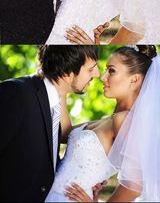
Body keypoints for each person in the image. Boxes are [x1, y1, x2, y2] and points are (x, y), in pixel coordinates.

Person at [45, 45, 160, 202]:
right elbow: (66, 133)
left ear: (134, 79)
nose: (102, 76)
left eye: (111, 71)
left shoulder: (125, 121)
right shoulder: (114, 118)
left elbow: (134, 186)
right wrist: (62, 90)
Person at [0, 45, 102, 202]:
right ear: (67, 73)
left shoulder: (53, 102)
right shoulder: (15, 93)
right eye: (90, 69)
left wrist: (84, 181)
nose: (97, 74)